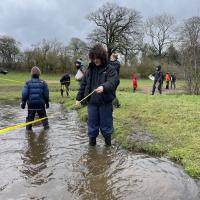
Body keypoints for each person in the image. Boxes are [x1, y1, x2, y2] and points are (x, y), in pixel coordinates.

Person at [75, 44, 119, 146]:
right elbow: (83, 85)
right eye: (93, 58)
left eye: (97, 58)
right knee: (92, 127)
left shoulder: (110, 69)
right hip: (92, 104)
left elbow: (113, 82)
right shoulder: (89, 70)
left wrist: (104, 87)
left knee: (106, 127)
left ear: (102, 57)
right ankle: (92, 148)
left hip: (105, 103)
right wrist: (78, 99)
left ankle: (108, 147)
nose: (95, 60)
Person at [21, 66, 49, 131]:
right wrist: (47, 103)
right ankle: (46, 132)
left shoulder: (28, 83)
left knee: (29, 119)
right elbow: (46, 95)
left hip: (31, 104)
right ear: (39, 73)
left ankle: (28, 133)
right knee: (44, 118)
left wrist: (23, 104)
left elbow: (24, 94)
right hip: (41, 104)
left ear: (31, 73)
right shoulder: (43, 83)